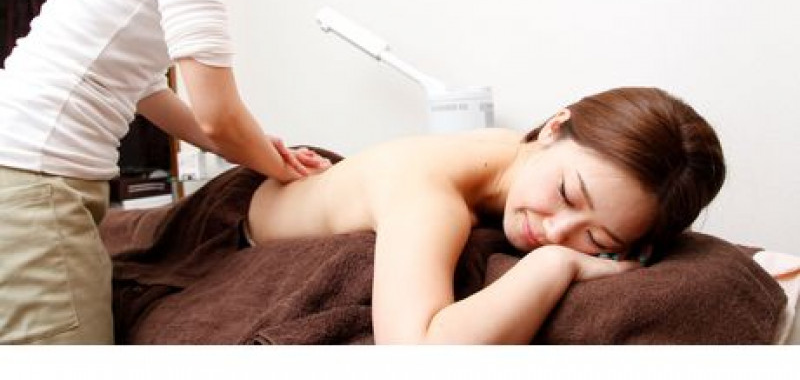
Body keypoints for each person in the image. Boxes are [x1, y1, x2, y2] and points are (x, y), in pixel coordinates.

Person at [0, 0, 330, 345]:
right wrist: (281, 167)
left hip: (30, 173)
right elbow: (219, 116)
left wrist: (257, 146)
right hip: (35, 177)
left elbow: (149, 90)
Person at [246, 86, 726, 344]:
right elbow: (413, 358)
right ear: (554, 126)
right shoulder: (428, 197)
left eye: (597, 240)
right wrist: (555, 265)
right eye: (566, 193)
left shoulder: (513, 153)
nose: (555, 230)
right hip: (252, 211)